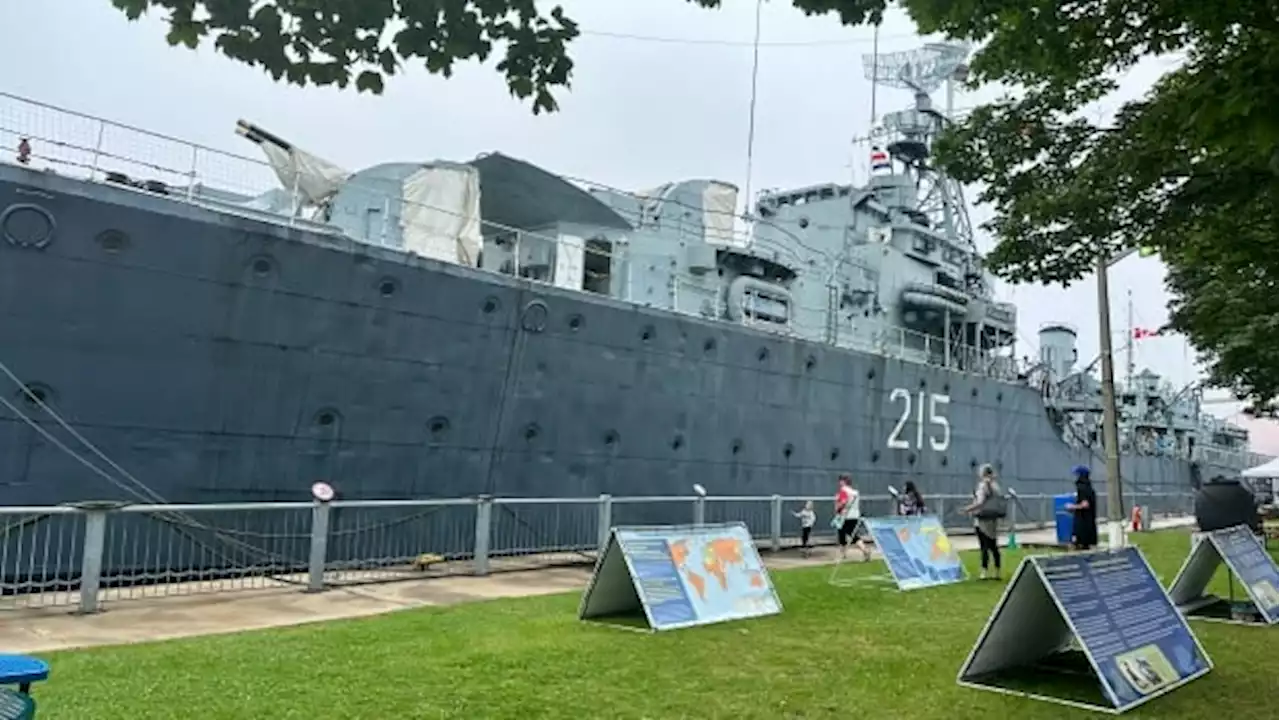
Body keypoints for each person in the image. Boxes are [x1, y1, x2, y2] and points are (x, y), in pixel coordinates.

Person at [963, 464, 1002, 580]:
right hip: (993, 519)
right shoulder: (996, 487)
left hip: (982, 520)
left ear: (982, 473)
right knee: (994, 546)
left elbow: (980, 502)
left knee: (984, 546)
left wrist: (968, 509)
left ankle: (984, 571)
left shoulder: (982, 486)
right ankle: (997, 571)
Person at [834, 474, 871, 561]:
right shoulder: (855, 492)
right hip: (854, 515)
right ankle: (864, 549)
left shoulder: (843, 491)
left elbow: (843, 502)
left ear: (843, 481)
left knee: (841, 534)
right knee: (853, 535)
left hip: (845, 515)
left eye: (840, 481)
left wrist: (837, 507)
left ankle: (842, 555)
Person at [1066, 465, 1099, 550]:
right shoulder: (1090, 488)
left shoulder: (1082, 488)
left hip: (1082, 523)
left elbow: (1085, 504)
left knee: (1078, 545)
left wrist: (1072, 507)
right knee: (1085, 547)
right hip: (1089, 524)